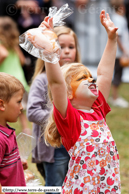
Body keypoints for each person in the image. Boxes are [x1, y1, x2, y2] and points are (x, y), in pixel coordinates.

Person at [42, 10, 121, 193]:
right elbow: (56, 83)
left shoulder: (97, 110)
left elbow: (104, 74)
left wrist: (111, 38)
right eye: (81, 78)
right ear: (68, 93)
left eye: (89, 76)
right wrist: (48, 46)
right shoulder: (71, 119)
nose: (90, 80)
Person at [26, 25, 81, 193]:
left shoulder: (79, 79)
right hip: (54, 148)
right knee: (55, 186)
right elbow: (32, 111)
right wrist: (60, 119)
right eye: (59, 46)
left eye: (70, 47)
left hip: (76, 145)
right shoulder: (43, 80)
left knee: (74, 184)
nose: (66, 51)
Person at [0, 16, 31, 134]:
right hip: (20, 80)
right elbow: (22, 60)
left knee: (4, 106)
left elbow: (3, 54)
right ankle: (26, 129)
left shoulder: (1, 44)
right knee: (20, 108)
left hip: (7, 82)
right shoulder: (14, 45)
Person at [0, 72, 28, 194]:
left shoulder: (7, 131)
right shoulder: (1, 139)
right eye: (18, 101)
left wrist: (16, 164)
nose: (21, 107)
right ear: (2, 104)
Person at [109, 0, 129, 108]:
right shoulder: (119, 19)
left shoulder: (115, 18)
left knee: (118, 73)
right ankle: (115, 97)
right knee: (118, 74)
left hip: (118, 52)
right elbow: (118, 36)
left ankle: (115, 96)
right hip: (119, 53)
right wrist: (125, 51)